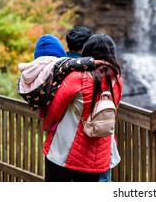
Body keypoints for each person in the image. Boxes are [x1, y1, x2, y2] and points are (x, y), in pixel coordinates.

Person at [42, 34, 123, 182]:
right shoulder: (116, 80)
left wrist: (46, 126)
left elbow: (55, 109)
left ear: (87, 52)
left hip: (65, 152)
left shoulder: (77, 77)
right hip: (98, 154)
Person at [17, 34, 99, 118]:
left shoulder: (31, 69)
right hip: (60, 117)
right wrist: (99, 62)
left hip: (43, 111)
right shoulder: (55, 65)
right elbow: (76, 63)